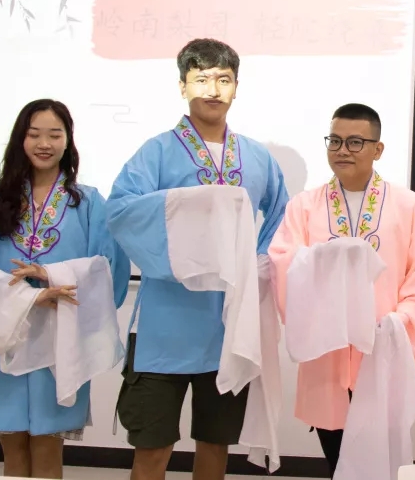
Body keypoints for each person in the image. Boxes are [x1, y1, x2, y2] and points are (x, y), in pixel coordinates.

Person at [107, 38, 289, 480]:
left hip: (228, 326)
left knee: (215, 445)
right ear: (183, 86)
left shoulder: (256, 156)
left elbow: (282, 216)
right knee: (152, 450)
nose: (213, 89)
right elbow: (121, 210)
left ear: (236, 87)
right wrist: (182, 210)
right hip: (163, 328)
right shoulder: (156, 152)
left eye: (223, 79)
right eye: (201, 78)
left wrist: (257, 261)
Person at [0, 99, 131, 479]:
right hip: (4, 332)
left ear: (68, 142)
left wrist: (53, 278)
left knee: (48, 448)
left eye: (54, 135)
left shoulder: (89, 202)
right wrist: (27, 297)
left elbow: (107, 266)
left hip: (59, 336)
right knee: (12, 449)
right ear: (20, 139)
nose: (44, 143)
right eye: (34, 134)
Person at [267, 103, 415, 477]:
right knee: (338, 461)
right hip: (327, 353)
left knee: (382, 458)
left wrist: (398, 322)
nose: (342, 150)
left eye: (355, 142)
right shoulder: (304, 206)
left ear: (378, 149)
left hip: (384, 348)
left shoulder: (409, 206)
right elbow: (282, 262)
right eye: (335, 141)